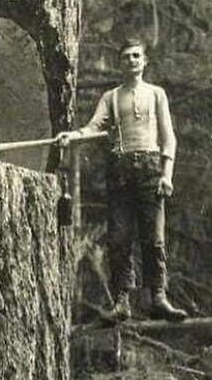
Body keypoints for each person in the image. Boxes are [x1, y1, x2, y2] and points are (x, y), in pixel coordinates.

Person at [58, 36, 187, 321]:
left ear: (144, 61)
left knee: (153, 239)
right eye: (126, 56)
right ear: (119, 62)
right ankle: (122, 302)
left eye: (136, 56)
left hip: (150, 169)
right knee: (119, 239)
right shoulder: (111, 97)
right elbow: (92, 128)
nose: (131, 61)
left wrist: (167, 175)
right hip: (120, 173)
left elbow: (169, 139)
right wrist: (72, 136)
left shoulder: (156, 94)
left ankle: (158, 297)